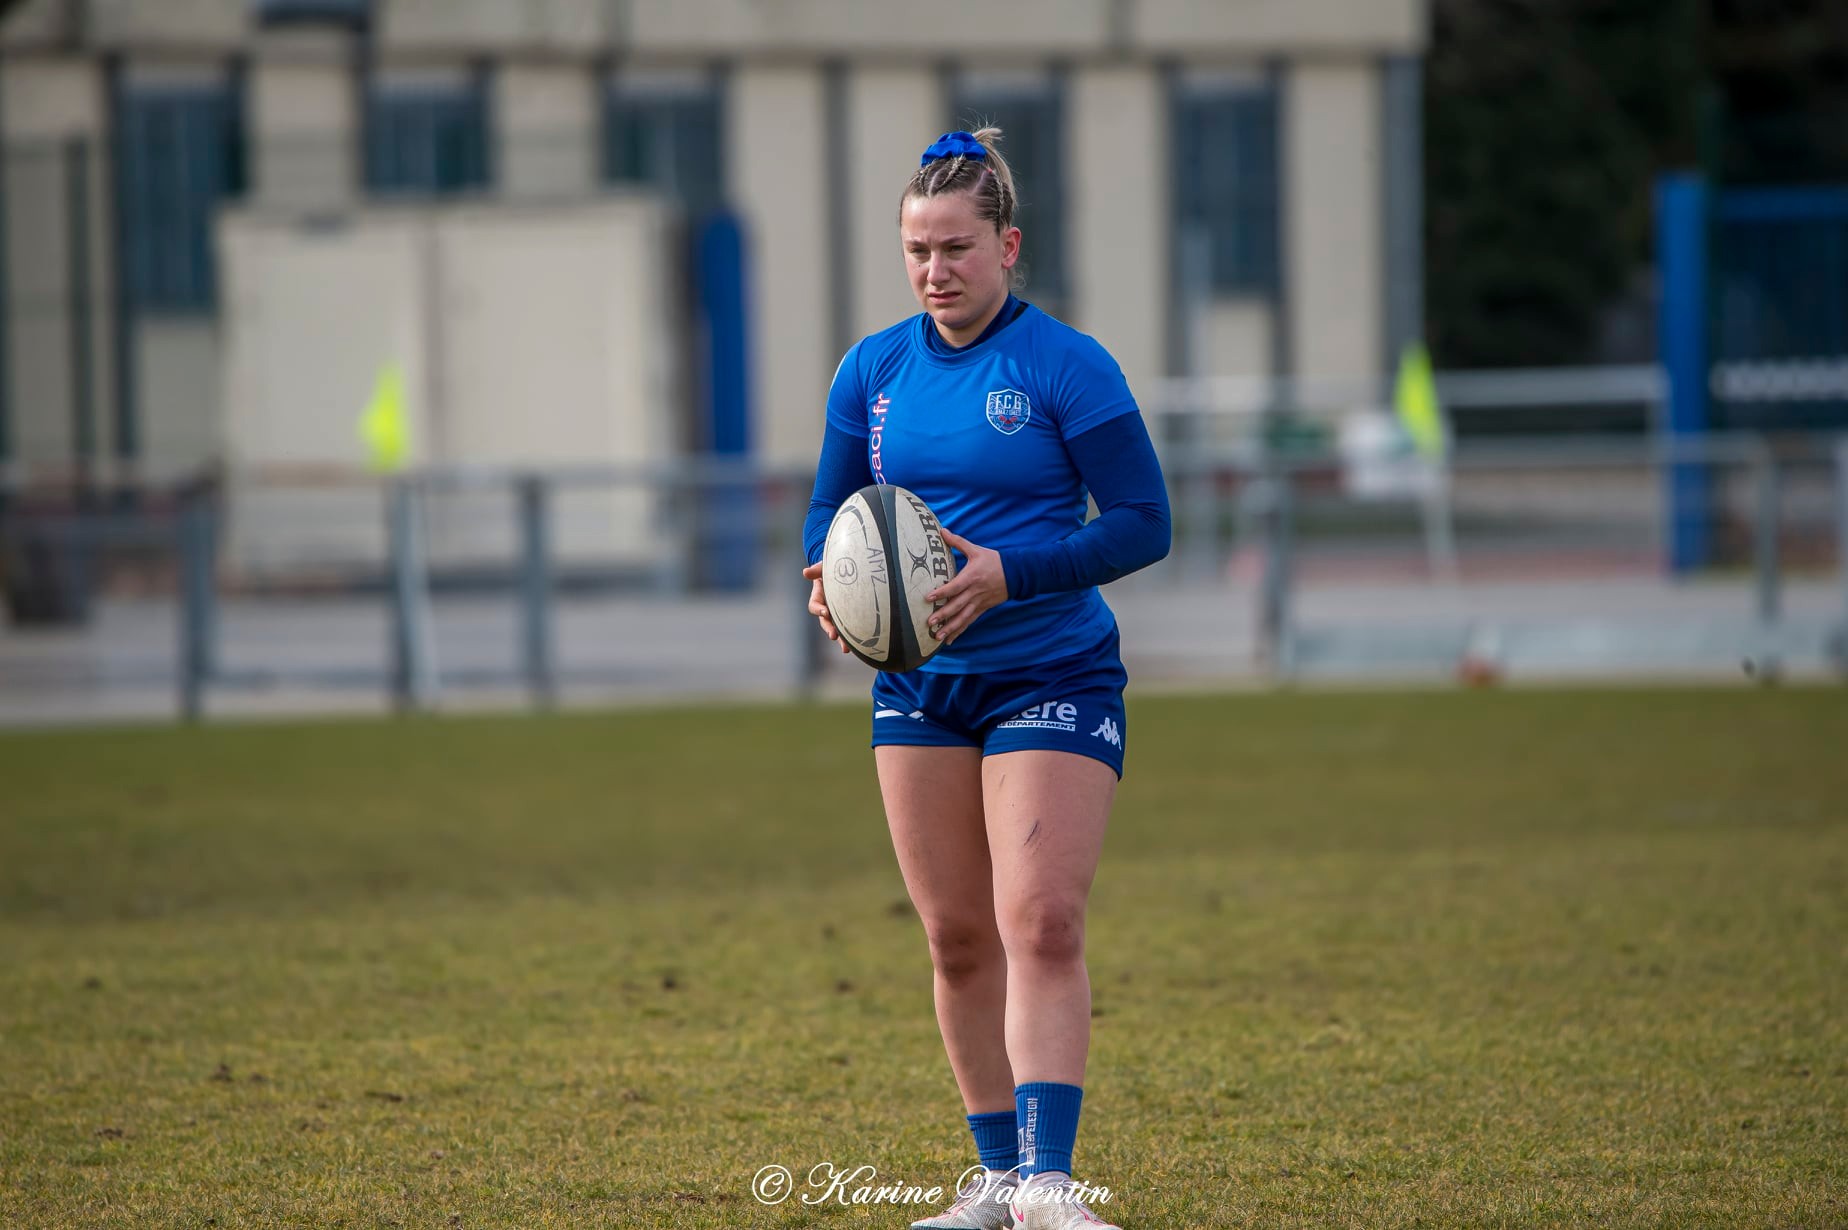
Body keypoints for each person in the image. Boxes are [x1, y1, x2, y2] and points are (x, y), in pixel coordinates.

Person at [801, 128, 1171, 1230]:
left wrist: (1012, 573)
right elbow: (830, 510)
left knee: (1041, 920)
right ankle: (998, 1180)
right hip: (921, 685)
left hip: (1051, 671)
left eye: (956, 247)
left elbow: (1144, 522)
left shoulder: (1066, 364)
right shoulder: (872, 370)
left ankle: (1051, 1186)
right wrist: (829, 583)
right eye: (917, 250)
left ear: (1007, 246)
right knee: (958, 938)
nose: (935, 270)